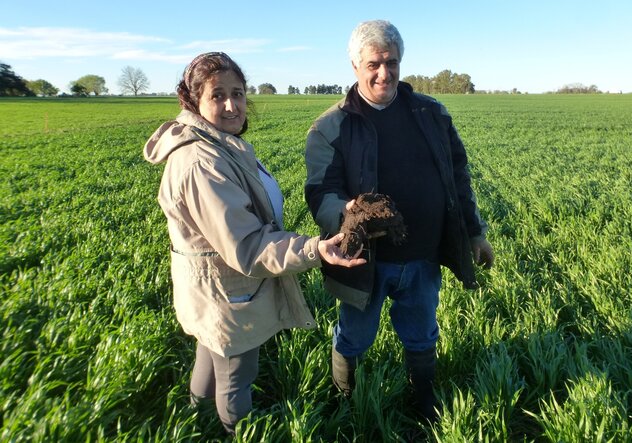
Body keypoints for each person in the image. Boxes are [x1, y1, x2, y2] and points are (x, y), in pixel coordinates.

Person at [143, 51, 365, 435]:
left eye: (238, 93)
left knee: (212, 356)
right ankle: (236, 430)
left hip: (214, 286)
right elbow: (246, 245)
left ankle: (194, 425)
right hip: (228, 291)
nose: (231, 105)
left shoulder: (219, 144)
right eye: (217, 95)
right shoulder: (201, 161)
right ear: (194, 100)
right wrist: (315, 249)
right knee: (236, 376)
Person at [304, 20, 494, 421]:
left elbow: (457, 176)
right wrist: (349, 211)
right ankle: (344, 400)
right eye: (373, 63)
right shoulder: (329, 127)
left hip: (423, 254)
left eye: (391, 62)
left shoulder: (431, 113)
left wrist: (475, 233)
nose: (384, 73)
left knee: (421, 332)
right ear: (355, 65)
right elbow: (320, 193)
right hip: (364, 259)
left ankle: (421, 401)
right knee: (354, 335)